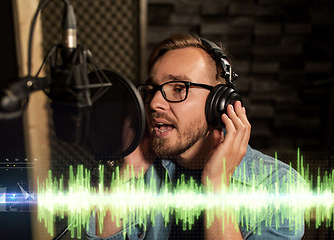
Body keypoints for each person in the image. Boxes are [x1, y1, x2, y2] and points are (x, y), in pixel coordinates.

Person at [86, 33, 305, 240]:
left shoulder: (278, 185)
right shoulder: (138, 171)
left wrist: (216, 184)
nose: (154, 103)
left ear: (218, 103)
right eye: (152, 90)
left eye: (179, 88)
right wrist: (129, 172)